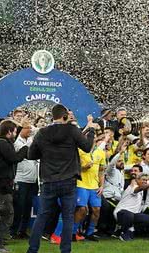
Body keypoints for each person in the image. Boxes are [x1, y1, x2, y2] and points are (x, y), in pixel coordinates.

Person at [26, 104, 97, 253]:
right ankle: (65, 250)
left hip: (48, 181)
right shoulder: (72, 130)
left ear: (53, 116)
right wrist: (90, 129)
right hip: (68, 181)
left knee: (42, 216)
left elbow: (31, 155)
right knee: (68, 217)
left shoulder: (42, 132)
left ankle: (32, 250)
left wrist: (46, 153)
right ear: (65, 116)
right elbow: (87, 147)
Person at [0, 119, 29, 253]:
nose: (16, 134)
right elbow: (14, 158)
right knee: (6, 212)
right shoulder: (2, 144)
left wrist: (20, 126)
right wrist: (26, 148)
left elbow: (10, 147)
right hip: (0, 184)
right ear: (9, 132)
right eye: (15, 131)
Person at [72, 132, 107, 242]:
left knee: (97, 210)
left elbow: (102, 171)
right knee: (82, 209)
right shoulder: (79, 150)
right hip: (81, 184)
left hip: (94, 186)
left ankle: (90, 233)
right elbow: (72, 168)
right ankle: (73, 233)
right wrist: (83, 167)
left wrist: (101, 185)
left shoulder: (100, 152)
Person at [11, 124, 39, 240]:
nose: (30, 130)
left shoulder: (30, 140)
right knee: (19, 206)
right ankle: (13, 230)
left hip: (32, 180)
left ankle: (23, 230)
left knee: (28, 206)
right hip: (21, 179)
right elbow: (21, 154)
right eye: (28, 128)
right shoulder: (16, 142)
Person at [114, 173, 149, 241]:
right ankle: (123, 232)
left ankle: (130, 229)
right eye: (143, 180)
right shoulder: (132, 187)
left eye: (146, 180)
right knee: (129, 215)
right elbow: (139, 188)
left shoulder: (141, 191)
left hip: (133, 215)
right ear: (137, 180)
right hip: (121, 212)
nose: (145, 181)